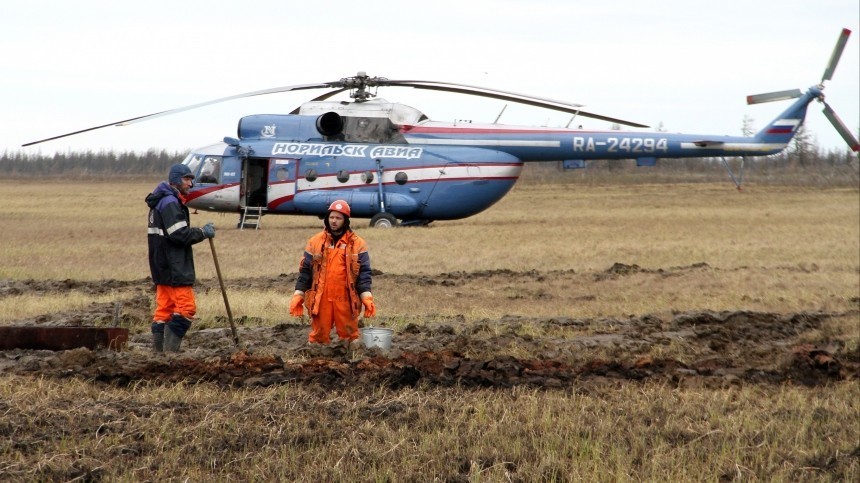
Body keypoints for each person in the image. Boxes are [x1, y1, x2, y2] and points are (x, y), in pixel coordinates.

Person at [146, 163, 215, 352]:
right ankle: (170, 355)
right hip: (174, 265)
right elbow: (179, 234)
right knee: (186, 309)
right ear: (175, 180)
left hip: (161, 265)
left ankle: (158, 356)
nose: (190, 184)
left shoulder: (160, 200)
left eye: (191, 179)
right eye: (187, 179)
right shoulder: (169, 202)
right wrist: (202, 232)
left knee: (164, 310)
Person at [290, 200, 376, 345]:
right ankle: (317, 360)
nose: (334, 221)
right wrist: (298, 294)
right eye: (331, 217)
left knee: (350, 336)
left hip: (346, 298)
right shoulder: (315, 242)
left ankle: (351, 361)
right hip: (321, 296)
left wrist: (367, 297)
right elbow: (305, 272)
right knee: (318, 336)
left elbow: (364, 274)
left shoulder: (358, 243)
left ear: (346, 220)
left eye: (338, 218)